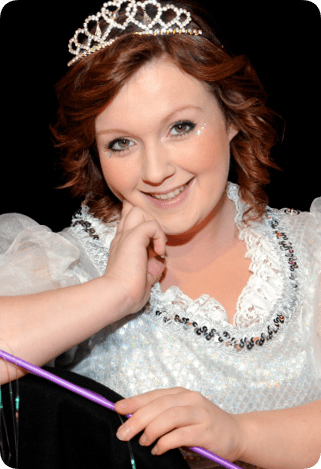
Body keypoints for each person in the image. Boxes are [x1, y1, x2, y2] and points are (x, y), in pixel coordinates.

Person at [0, 0, 321, 468]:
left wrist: (239, 434)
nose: (155, 171)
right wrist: (115, 292)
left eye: (181, 127)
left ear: (232, 118)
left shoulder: (312, 246)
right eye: (121, 143)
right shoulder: (68, 262)